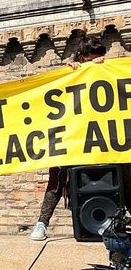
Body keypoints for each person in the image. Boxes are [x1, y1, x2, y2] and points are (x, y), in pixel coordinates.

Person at [30, 36, 106, 240]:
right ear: (82, 56)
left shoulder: (105, 69)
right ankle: (42, 223)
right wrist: (66, 69)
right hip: (70, 135)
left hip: (98, 136)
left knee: (115, 177)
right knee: (57, 179)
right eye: (89, 59)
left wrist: (102, 67)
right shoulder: (69, 71)